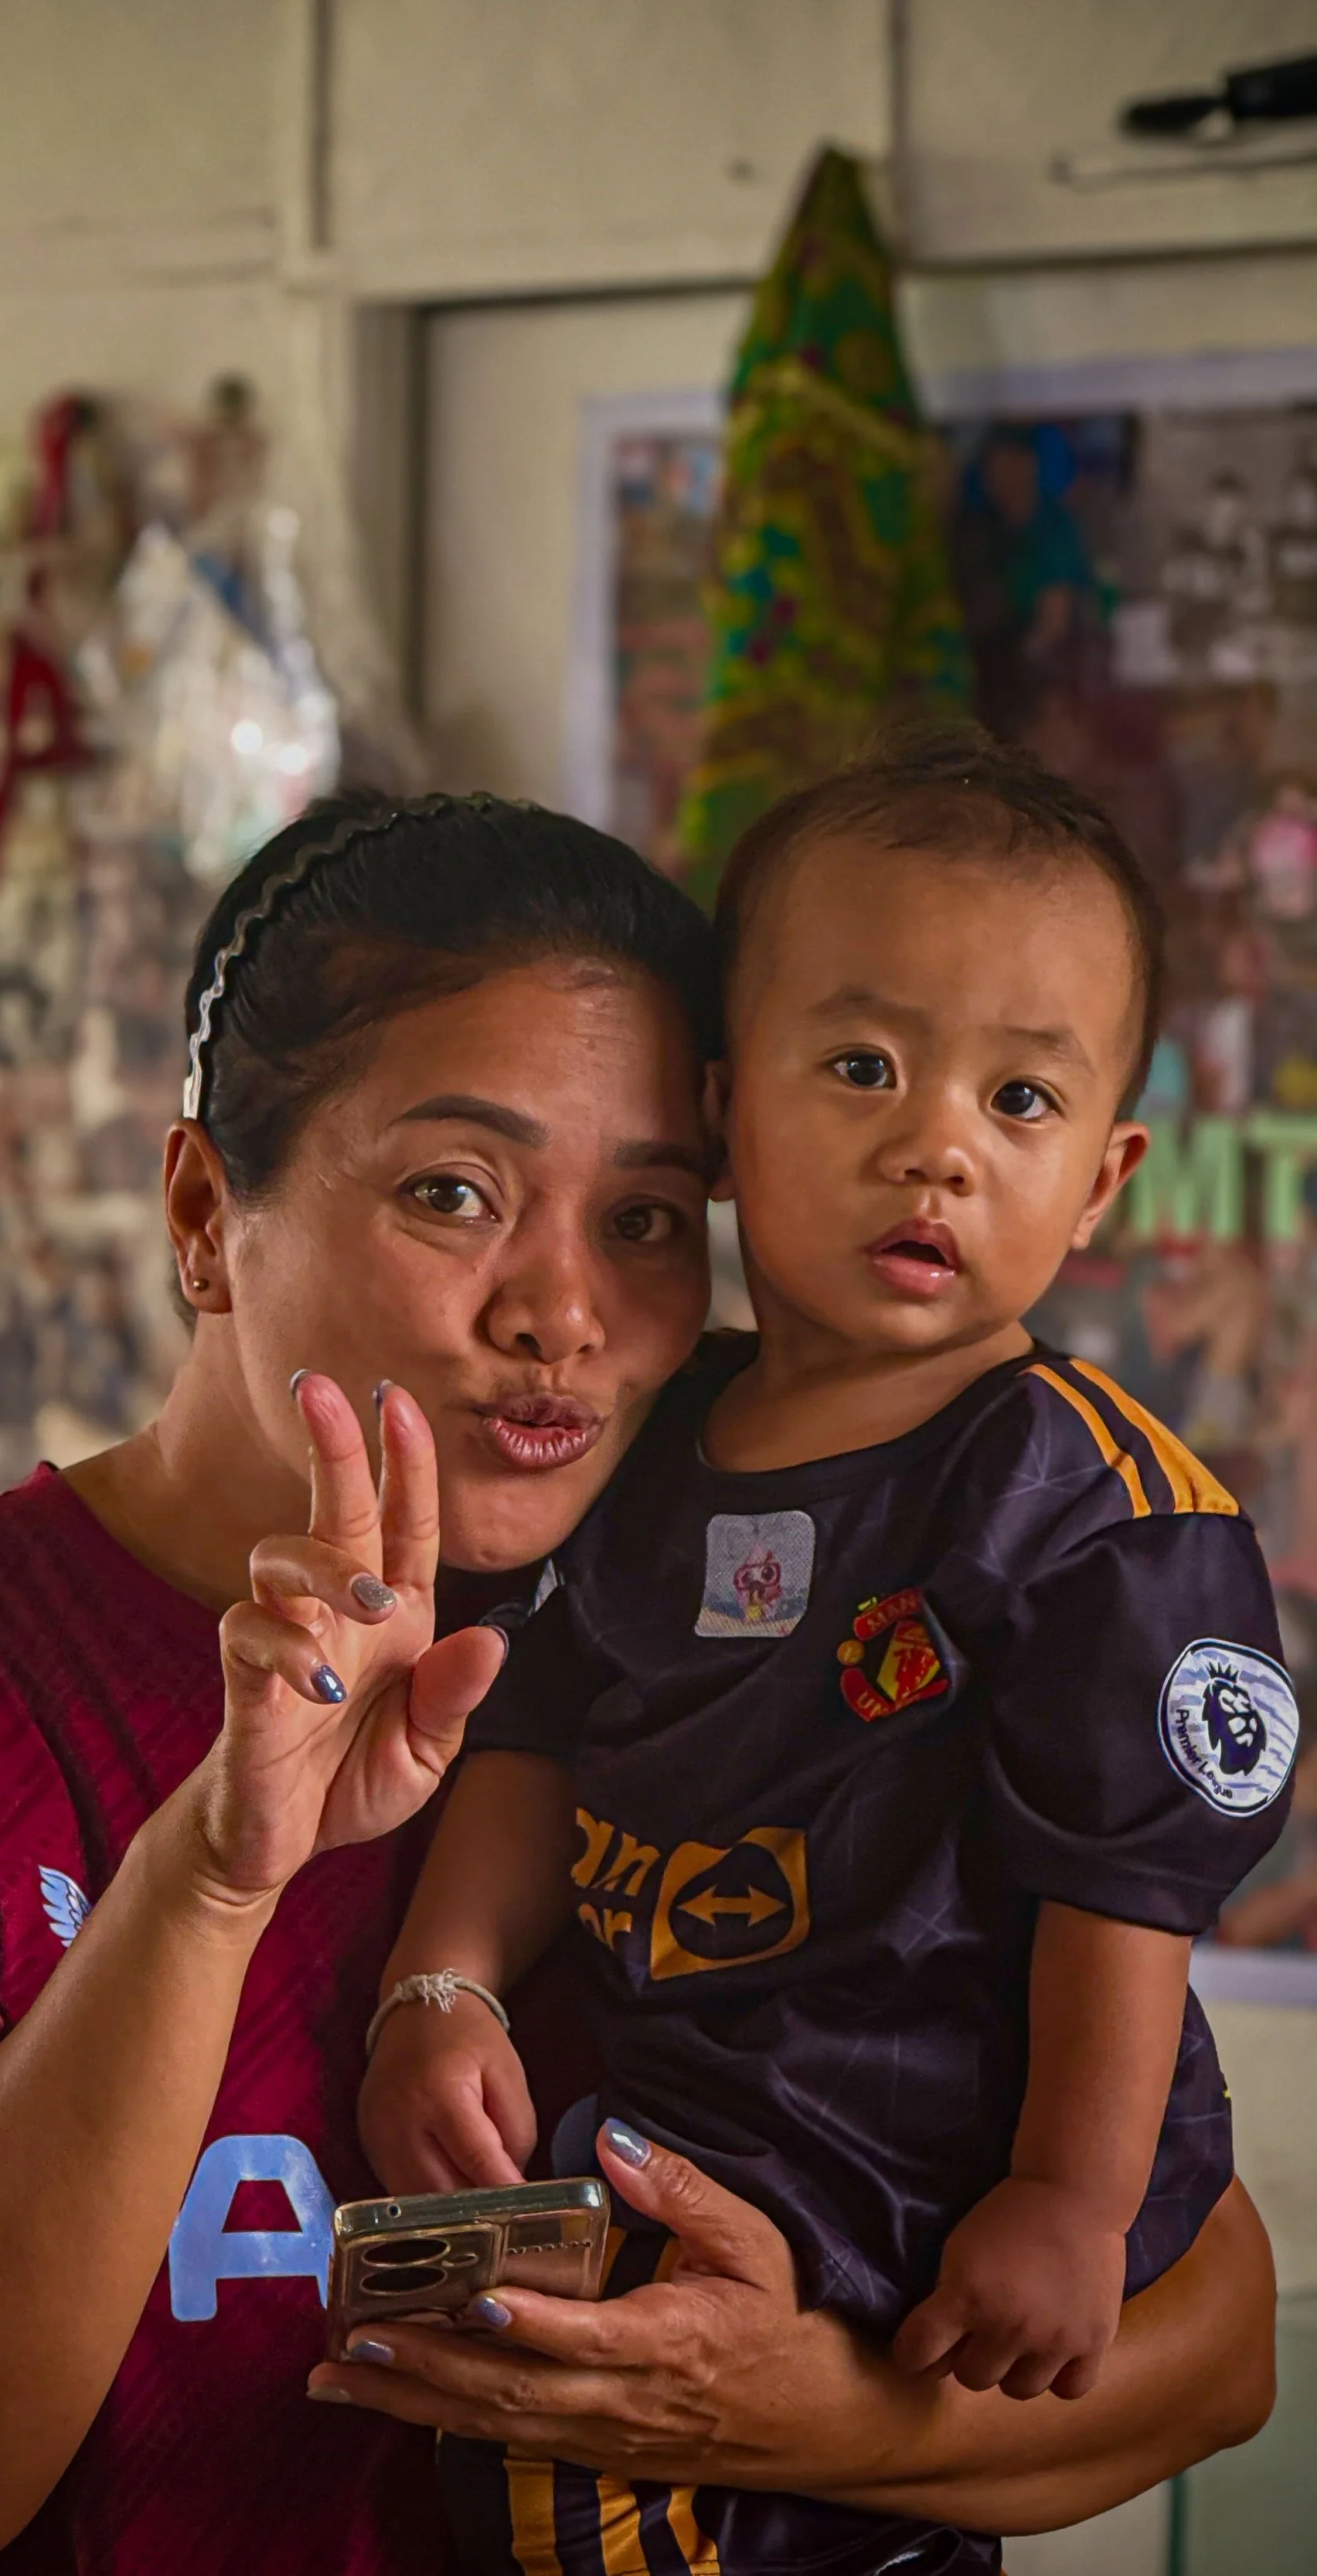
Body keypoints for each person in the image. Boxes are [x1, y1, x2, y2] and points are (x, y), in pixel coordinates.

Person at [0, 791, 1277, 2576]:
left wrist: (773, 2411)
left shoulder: (768, 1612)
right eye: (452, 1192)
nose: (560, 1311)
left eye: (643, 1219)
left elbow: (1212, 2337)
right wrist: (215, 1876)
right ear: (200, 1211)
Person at [356, 737, 1295, 2575]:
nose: (932, 1140)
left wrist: (1060, 2198)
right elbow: (538, 1730)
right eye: (861, 1065)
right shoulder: (648, 1438)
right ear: (719, 1112)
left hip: (935, 2139)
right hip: (708, 2098)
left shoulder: (1093, 1511)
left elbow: (1120, 1896)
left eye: (1017, 1099)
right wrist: (441, 1982)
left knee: (608, 2392)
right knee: (487, 2362)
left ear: (1101, 1176)